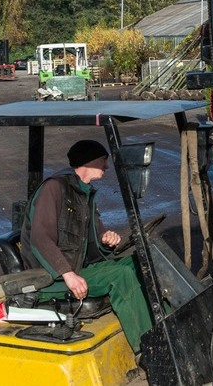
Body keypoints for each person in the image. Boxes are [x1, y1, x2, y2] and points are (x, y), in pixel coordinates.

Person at [20, 139, 153, 354]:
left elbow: (94, 234)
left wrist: (105, 238)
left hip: (77, 268)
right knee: (121, 276)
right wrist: (68, 274)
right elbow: (40, 238)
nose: (107, 167)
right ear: (89, 162)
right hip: (50, 278)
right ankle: (150, 349)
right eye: (103, 161)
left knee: (142, 263)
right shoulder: (54, 188)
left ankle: (163, 326)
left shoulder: (85, 193)